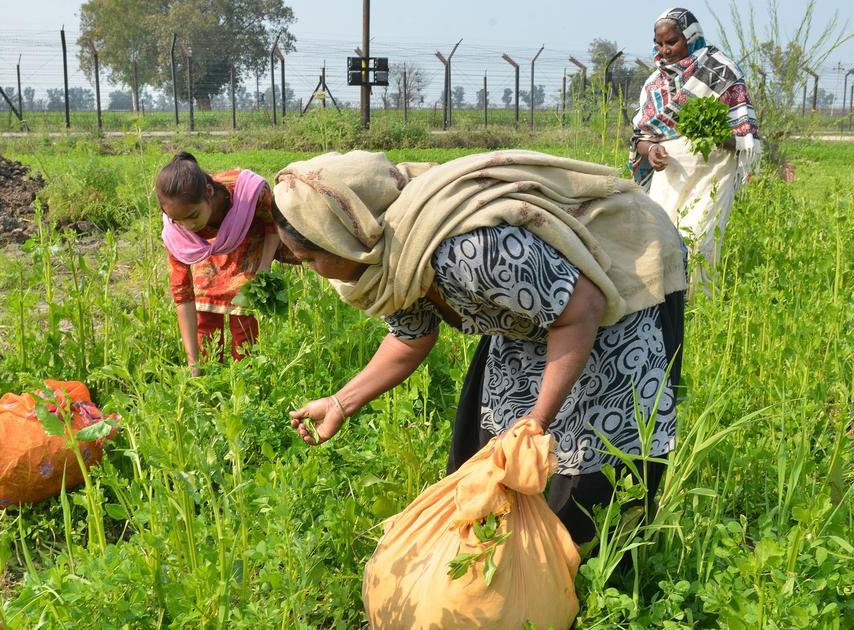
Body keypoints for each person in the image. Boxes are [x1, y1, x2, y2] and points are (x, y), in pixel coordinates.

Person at [273, 149, 687, 543]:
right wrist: (341, 403)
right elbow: (410, 337)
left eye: (310, 259)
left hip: (617, 291)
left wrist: (536, 423)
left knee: (587, 470)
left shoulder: (468, 248)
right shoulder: (391, 264)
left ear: (346, 236)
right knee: (495, 457)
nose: (311, 272)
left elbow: (582, 310)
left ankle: (591, 583)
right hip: (539, 312)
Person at [628, 7, 761, 288]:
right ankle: (665, 307)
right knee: (661, 240)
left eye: (672, 42)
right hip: (669, 176)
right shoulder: (654, 82)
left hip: (712, 175)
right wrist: (651, 151)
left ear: (691, 37)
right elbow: (639, 136)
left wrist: (713, 134)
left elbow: (744, 135)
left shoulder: (721, 71)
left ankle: (698, 309)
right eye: (659, 44)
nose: (665, 50)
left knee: (700, 242)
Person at [156, 152, 284, 375]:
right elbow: (183, 294)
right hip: (206, 253)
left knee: (243, 321)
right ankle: (209, 375)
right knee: (205, 315)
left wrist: (263, 267)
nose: (188, 226)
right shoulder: (178, 233)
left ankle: (245, 379)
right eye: (179, 220)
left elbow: (273, 223)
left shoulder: (247, 196)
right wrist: (193, 363)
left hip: (247, 238)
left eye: (193, 216)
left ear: (208, 192)